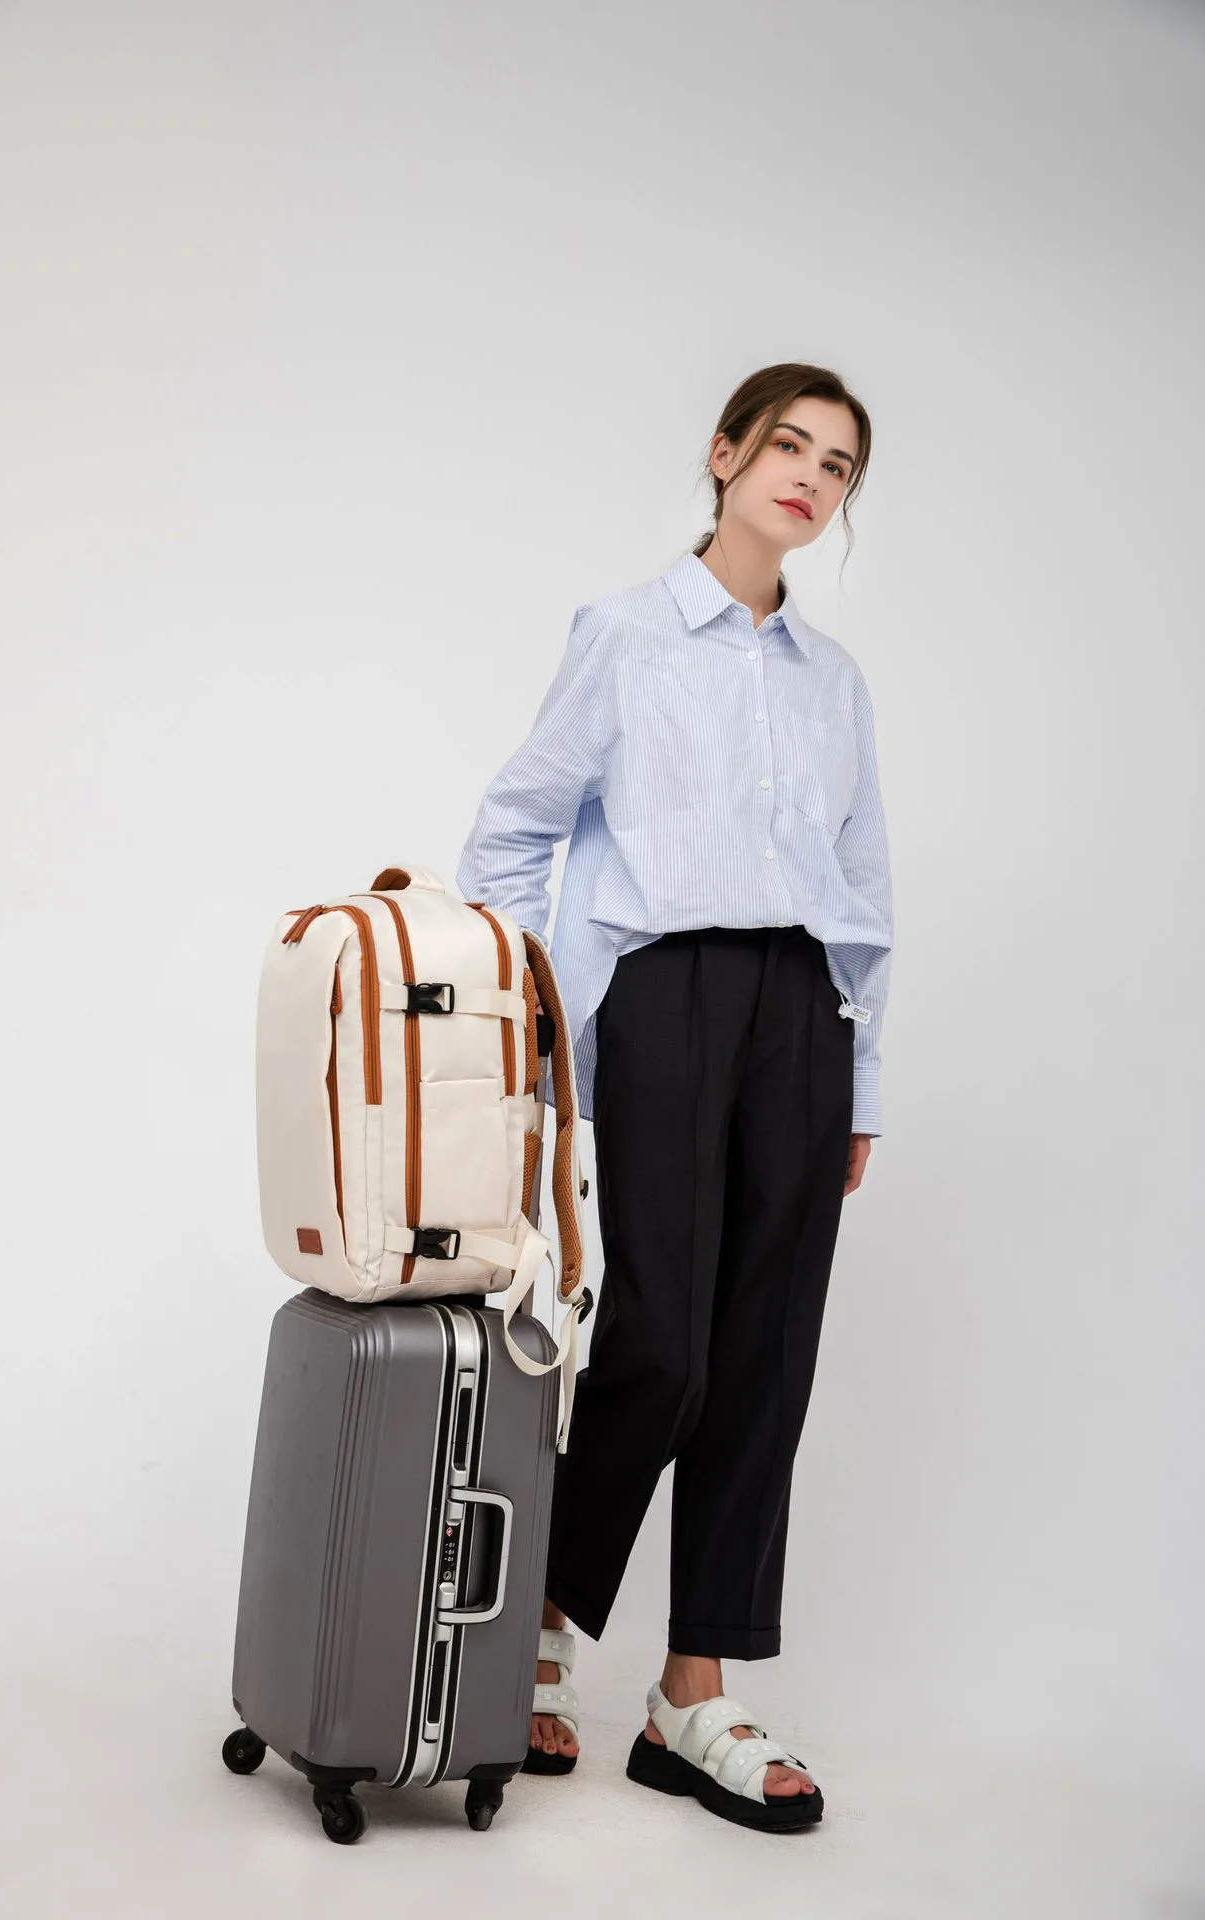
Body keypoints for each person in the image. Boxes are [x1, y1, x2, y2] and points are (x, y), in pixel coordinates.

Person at [454, 362, 894, 1834]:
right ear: (724, 454)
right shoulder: (627, 635)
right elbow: (516, 825)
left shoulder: (833, 682)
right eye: (789, 446)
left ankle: (692, 1693)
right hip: (663, 994)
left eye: (838, 466)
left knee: (766, 1356)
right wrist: (530, 1020)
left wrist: (859, 1074)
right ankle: (541, 1627)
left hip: (801, 1011)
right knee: (658, 1347)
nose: (809, 478)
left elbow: (864, 883)